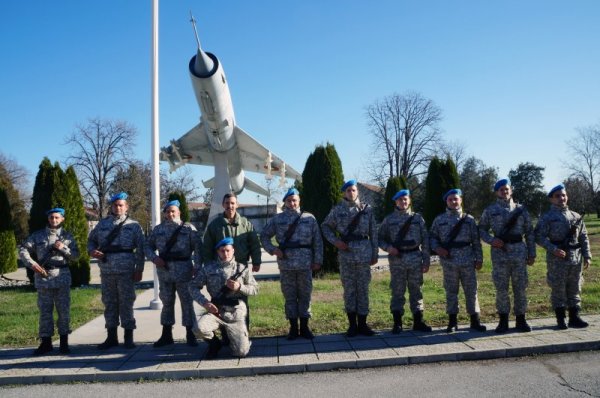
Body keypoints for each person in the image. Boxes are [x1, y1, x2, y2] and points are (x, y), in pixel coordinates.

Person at [260, 188, 323, 340]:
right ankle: (293, 328)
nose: (292, 203)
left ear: (299, 201)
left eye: (294, 200)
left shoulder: (310, 218)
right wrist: (273, 250)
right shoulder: (277, 219)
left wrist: (318, 260)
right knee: (289, 297)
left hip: (305, 264)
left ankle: (305, 327)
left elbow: (318, 241)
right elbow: (264, 236)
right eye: (289, 201)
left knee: (305, 296)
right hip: (286, 265)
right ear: (285, 202)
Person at [88, 192, 145, 349]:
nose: (118, 207)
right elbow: (91, 242)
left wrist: (139, 269)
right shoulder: (102, 224)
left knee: (126, 302)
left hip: (126, 270)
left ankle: (128, 336)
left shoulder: (134, 226)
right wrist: (92, 251)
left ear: (126, 207)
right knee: (109, 303)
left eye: (121, 205)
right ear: (111, 207)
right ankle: (111, 337)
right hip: (107, 270)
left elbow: (141, 249)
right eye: (115, 205)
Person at [322, 180, 378, 337]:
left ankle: (363, 324)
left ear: (357, 191)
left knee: (363, 290)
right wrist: (336, 241)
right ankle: (352, 325)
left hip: (364, 255)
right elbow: (325, 226)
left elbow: (374, 232)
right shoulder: (337, 210)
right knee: (349, 290)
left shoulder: (367, 210)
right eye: (347, 191)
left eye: (353, 190)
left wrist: (375, 254)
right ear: (344, 193)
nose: (351, 193)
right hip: (346, 255)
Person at [19, 207, 80, 355]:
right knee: (45, 311)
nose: (54, 220)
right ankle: (46, 343)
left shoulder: (68, 236)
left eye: (57, 217)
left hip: (62, 277)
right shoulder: (38, 236)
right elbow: (23, 250)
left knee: (63, 311)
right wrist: (32, 264)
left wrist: (63, 248)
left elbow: (76, 256)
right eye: (52, 217)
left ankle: (64, 343)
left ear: (62, 219)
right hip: (43, 277)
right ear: (48, 219)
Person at [479, 179, 536, 333]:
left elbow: (530, 232)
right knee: (501, 288)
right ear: (497, 192)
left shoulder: (521, 210)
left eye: (506, 189)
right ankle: (503, 320)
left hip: (519, 252)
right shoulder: (490, 210)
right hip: (500, 253)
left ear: (511, 190)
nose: (504, 192)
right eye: (501, 190)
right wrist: (492, 240)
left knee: (521, 288)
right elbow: (481, 230)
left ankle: (521, 319)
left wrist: (532, 253)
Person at [202, 192, 262, 334]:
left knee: (241, 302)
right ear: (223, 205)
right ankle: (225, 334)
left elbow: (254, 243)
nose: (230, 206)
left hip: (240, 270)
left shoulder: (245, 224)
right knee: (220, 301)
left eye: (233, 203)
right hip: (220, 269)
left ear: (237, 205)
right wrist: (208, 266)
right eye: (227, 203)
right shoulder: (215, 225)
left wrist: (256, 261)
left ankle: (244, 333)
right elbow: (207, 247)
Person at [145, 200, 202, 348]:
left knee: (187, 303)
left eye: (173, 211)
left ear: (179, 212)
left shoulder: (189, 228)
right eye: (168, 211)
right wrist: (154, 258)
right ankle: (166, 334)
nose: (170, 214)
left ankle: (191, 333)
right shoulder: (158, 230)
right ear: (164, 213)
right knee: (167, 303)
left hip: (184, 271)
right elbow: (147, 246)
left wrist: (197, 266)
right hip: (165, 272)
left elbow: (198, 248)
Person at [189, 237, 258, 359]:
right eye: (222, 251)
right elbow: (192, 287)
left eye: (227, 250)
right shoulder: (209, 269)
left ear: (233, 250)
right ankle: (214, 344)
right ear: (217, 252)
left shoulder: (242, 269)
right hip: (217, 311)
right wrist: (205, 303)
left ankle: (234, 339)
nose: (225, 253)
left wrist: (240, 287)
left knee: (241, 352)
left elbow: (255, 289)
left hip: (235, 312)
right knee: (198, 329)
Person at [535, 184, 592, 329]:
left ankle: (575, 317)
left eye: (564, 195)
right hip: (557, 259)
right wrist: (553, 249)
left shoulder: (576, 216)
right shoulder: (547, 217)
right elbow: (539, 237)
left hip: (575, 258)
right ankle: (561, 319)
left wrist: (587, 255)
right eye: (558, 196)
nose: (562, 198)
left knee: (575, 287)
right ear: (551, 199)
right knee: (558, 288)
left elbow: (583, 237)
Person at [430, 188, 486, 333]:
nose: (453, 202)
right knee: (451, 291)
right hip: (449, 261)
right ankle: (452, 322)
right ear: (446, 202)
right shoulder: (439, 220)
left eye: (456, 199)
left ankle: (475, 320)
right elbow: (432, 238)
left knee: (471, 290)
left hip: (468, 260)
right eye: (450, 199)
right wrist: (438, 249)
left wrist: (479, 259)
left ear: (461, 200)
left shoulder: (469, 220)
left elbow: (476, 241)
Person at [378, 189, 432, 334]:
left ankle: (418, 321)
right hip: (397, 259)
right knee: (397, 290)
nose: (403, 202)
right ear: (396, 202)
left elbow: (426, 240)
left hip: (415, 257)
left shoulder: (418, 219)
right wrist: (388, 248)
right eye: (400, 200)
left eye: (406, 199)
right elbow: (379, 238)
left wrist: (426, 261)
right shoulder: (389, 220)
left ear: (410, 201)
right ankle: (397, 323)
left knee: (416, 290)